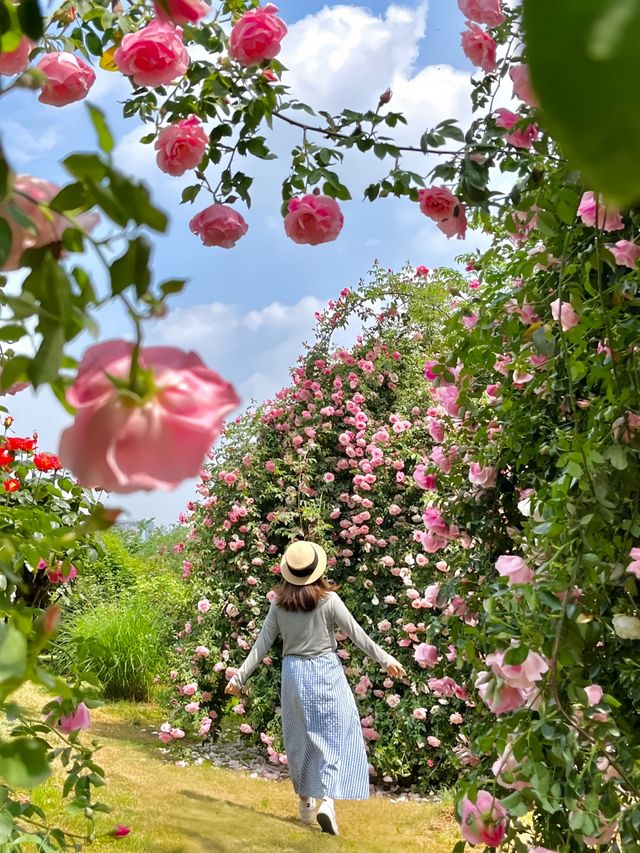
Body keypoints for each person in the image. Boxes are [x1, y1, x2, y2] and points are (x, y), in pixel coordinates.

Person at [224, 540, 406, 836]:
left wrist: (238, 678)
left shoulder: (278, 605)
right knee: (336, 733)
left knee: (299, 736)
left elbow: (261, 646)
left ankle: (305, 802)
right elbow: (358, 635)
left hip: (294, 674)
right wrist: (386, 659)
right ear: (316, 571)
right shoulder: (329, 601)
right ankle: (328, 802)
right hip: (325, 670)